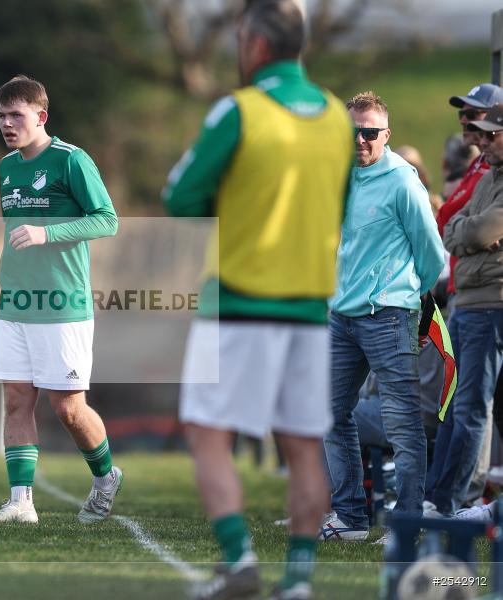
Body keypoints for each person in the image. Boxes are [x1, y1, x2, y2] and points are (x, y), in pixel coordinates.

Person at [163, 1, 352, 598]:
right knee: (303, 446)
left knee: (208, 432)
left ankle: (239, 559)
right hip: (311, 308)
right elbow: (341, 204)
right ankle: (298, 580)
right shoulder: (337, 118)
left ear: (257, 44)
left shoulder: (239, 109)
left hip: (238, 302)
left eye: (241, 39)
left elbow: (179, 196)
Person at [0, 75, 121, 525]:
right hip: (15, 305)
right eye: (1, 116)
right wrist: (2, 302)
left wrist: (48, 232)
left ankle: (105, 476)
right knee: (15, 399)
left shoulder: (71, 160)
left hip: (62, 304)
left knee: (67, 408)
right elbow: (14, 240)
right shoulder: (6, 168)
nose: (7, 123)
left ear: (41, 116)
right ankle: (21, 502)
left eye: (16, 115)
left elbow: (107, 220)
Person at [323, 91, 444, 543]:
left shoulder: (403, 182)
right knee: (329, 413)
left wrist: (411, 298)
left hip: (389, 316)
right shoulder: (340, 177)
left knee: (403, 425)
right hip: (342, 316)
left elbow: (432, 253)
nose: (360, 140)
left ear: (386, 134)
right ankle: (351, 518)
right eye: (352, 132)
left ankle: (408, 523)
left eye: (370, 132)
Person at [423, 84, 503, 518]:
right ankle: (440, 499)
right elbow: (453, 225)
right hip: (468, 301)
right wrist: (468, 234)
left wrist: (468, 232)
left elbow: (477, 230)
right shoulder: (487, 175)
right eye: (473, 124)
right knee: (455, 408)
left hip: (488, 305)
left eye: (488, 130)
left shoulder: (488, 173)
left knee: (471, 409)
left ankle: (452, 502)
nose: (475, 133)